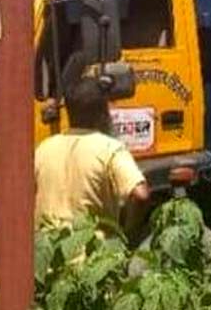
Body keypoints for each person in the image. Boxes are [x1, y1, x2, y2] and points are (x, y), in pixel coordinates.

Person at [35, 76, 151, 236]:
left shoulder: (44, 148)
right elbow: (141, 195)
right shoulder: (110, 149)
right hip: (94, 255)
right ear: (103, 112)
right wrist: (127, 232)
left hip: (51, 251)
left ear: (69, 112)